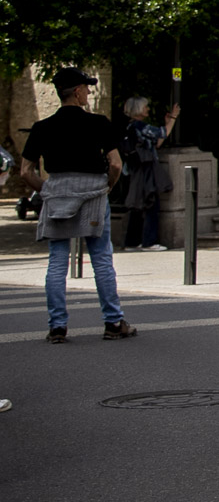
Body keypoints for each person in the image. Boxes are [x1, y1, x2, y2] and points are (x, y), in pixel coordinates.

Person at [19, 67, 137, 344]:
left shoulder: (42, 127)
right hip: (93, 194)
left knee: (57, 261)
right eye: (86, 87)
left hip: (58, 191)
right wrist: (107, 186)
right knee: (101, 258)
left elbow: (25, 171)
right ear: (76, 91)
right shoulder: (98, 123)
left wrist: (47, 190)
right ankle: (113, 322)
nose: (88, 92)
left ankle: (57, 326)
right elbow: (117, 163)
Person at [117, 95, 176, 250]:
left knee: (138, 206)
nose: (148, 109)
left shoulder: (131, 127)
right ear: (138, 110)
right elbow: (161, 134)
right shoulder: (140, 126)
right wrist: (173, 119)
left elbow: (156, 143)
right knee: (151, 203)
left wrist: (168, 123)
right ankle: (148, 241)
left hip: (136, 169)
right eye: (145, 107)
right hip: (145, 169)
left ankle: (132, 242)